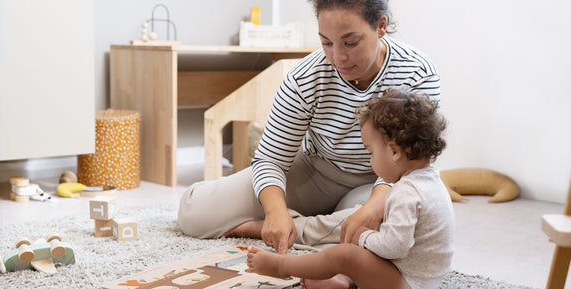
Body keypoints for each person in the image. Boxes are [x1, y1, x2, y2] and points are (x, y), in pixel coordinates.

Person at [177, 0, 441, 256]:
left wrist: (372, 208)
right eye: (326, 42)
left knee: (388, 228)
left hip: (382, 181)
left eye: (350, 42)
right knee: (195, 214)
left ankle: (267, 228)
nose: (339, 57)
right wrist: (275, 212)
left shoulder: (417, 73)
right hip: (316, 171)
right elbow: (271, 159)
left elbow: (410, 160)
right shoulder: (305, 77)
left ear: (380, 26)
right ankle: (316, 227)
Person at [246, 90, 454, 289]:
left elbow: (394, 247)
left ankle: (281, 266)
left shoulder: (406, 192)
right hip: (424, 278)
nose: (370, 161)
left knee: (345, 254)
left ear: (393, 151)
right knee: (366, 240)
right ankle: (340, 279)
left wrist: (362, 236)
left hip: (407, 283)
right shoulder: (431, 181)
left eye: (371, 152)